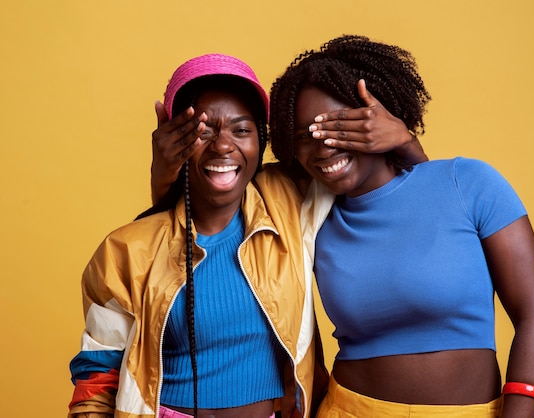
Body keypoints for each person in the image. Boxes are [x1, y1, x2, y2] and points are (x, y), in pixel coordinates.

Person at [69, 52, 425, 418]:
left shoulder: (290, 198)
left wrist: (404, 140)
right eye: (202, 131)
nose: (223, 146)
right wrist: (165, 176)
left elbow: (406, 194)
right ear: (172, 139)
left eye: (241, 130)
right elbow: (98, 373)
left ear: (263, 141)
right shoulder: (125, 249)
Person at [268, 35, 534, 418]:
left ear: (377, 115)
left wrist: (406, 141)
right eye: (305, 136)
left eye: (337, 125)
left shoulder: (468, 183)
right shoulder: (307, 215)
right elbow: (220, 190)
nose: (322, 147)